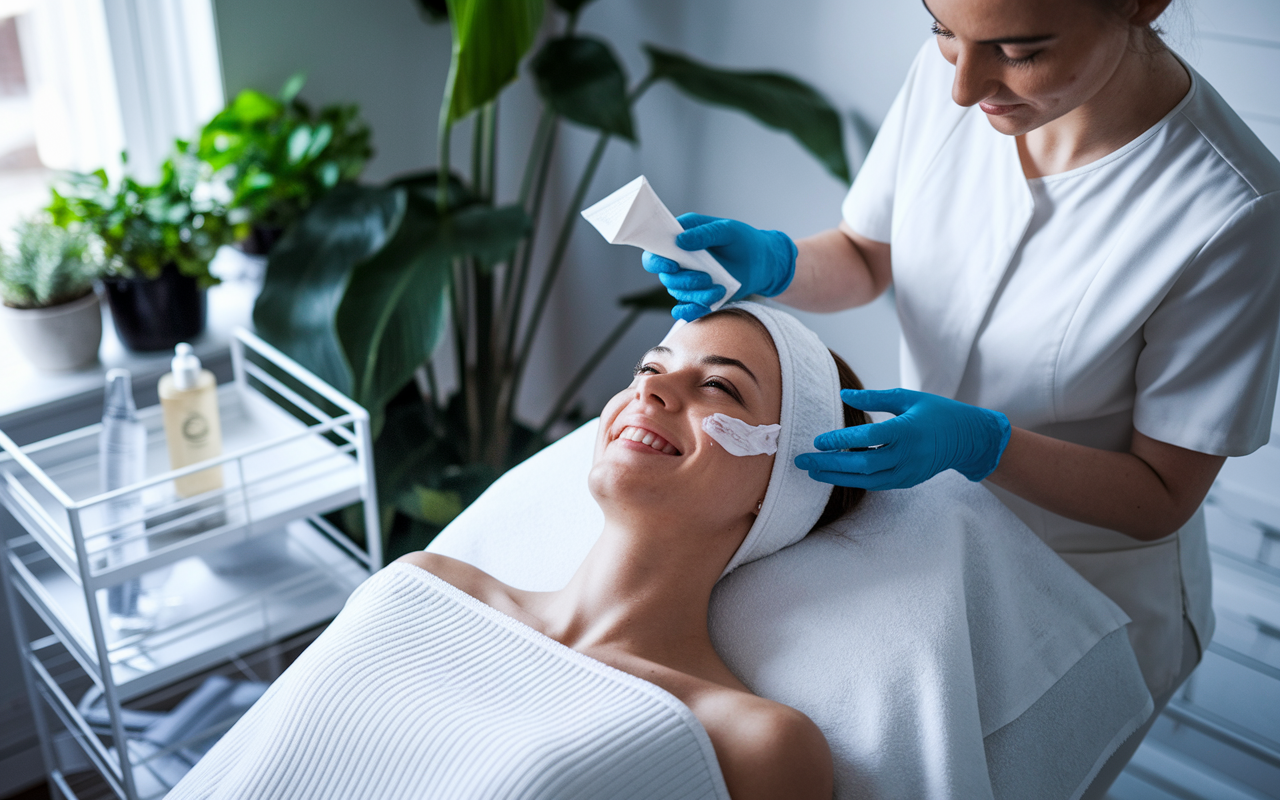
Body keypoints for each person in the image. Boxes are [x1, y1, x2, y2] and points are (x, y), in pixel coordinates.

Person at [642, 0, 1280, 792]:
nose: (965, 86)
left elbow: (1162, 496)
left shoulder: (1234, 211)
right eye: (942, 30)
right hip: (930, 545)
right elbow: (866, 258)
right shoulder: (964, 81)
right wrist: (772, 264)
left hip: (1091, 587)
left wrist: (987, 446)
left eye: (1021, 49)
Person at [168, 304, 868, 800]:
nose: (651, 388)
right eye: (650, 366)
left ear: (781, 484)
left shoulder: (753, 743)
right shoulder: (419, 588)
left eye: (718, 386)